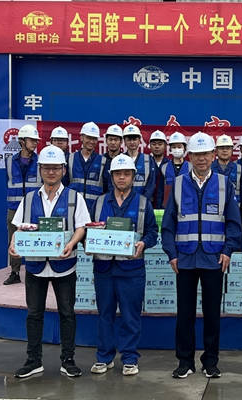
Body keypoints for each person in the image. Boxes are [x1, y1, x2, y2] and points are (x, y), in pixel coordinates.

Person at [161, 132, 241, 379]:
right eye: (196, 154)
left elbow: (234, 223)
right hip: (184, 259)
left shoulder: (224, 183)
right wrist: (171, 254)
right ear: (190, 157)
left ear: (213, 155)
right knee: (184, 314)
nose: (201, 159)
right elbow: (168, 224)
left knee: (212, 314)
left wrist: (228, 250)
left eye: (205, 154)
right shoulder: (178, 183)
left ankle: (210, 361)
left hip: (213, 258)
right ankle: (185, 361)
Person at [8, 145, 90, 378]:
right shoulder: (29, 199)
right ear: (40, 170)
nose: (51, 172)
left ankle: (68, 360)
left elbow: (81, 227)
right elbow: (19, 228)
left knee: (67, 313)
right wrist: (14, 244)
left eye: (55, 168)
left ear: (63, 170)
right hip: (36, 266)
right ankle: (33, 360)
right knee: (34, 314)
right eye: (46, 168)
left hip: (65, 265)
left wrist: (71, 243)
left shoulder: (75, 198)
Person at [90, 155, 158, 377]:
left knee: (131, 316)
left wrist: (143, 243)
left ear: (133, 176)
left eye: (126, 174)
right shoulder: (99, 202)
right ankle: (104, 357)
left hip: (131, 269)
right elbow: (88, 229)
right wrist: (88, 242)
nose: (122, 177)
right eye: (118, 174)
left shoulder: (143, 203)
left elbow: (152, 232)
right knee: (104, 315)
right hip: (104, 268)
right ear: (111, 177)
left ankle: (129, 358)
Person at [3, 124, 42, 285]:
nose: (35, 143)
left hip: (34, 209)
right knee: (14, 240)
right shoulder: (9, 161)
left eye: (36, 140)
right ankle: (15, 272)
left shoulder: (40, 162)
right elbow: (8, 182)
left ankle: (38, 271)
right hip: (14, 208)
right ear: (22, 141)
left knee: (38, 239)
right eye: (32, 140)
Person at [65, 122, 106, 214]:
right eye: (88, 138)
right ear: (81, 137)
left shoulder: (103, 161)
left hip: (94, 210)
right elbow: (63, 184)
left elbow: (107, 189)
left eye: (94, 139)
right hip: (72, 208)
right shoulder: (70, 158)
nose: (91, 141)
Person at [114, 125, 157, 200]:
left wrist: (143, 201)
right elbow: (114, 183)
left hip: (142, 201)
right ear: (124, 141)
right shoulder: (118, 159)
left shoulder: (148, 160)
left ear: (139, 140)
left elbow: (151, 185)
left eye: (134, 139)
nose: (132, 142)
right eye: (129, 139)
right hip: (122, 201)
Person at [160, 132, 192, 207]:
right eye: (174, 147)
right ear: (170, 149)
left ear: (185, 148)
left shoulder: (191, 167)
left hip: (186, 205)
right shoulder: (164, 167)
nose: (176, 149)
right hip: (168, 206)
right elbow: (160, 191)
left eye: (179, 147)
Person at [149, 130, 169, 208]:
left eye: (160, 144)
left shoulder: (169, 164)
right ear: (150, 146)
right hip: (148, 204)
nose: (157, 146)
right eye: (154, 144)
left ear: (165, 146)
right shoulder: (146, 163)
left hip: (165, 205)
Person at [102, 124, 124, 195]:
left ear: (121, 142)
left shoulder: (125, 160)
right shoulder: (101, 159)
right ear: (106, 141)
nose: (113, 142)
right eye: (110, 139)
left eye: (116, 140)